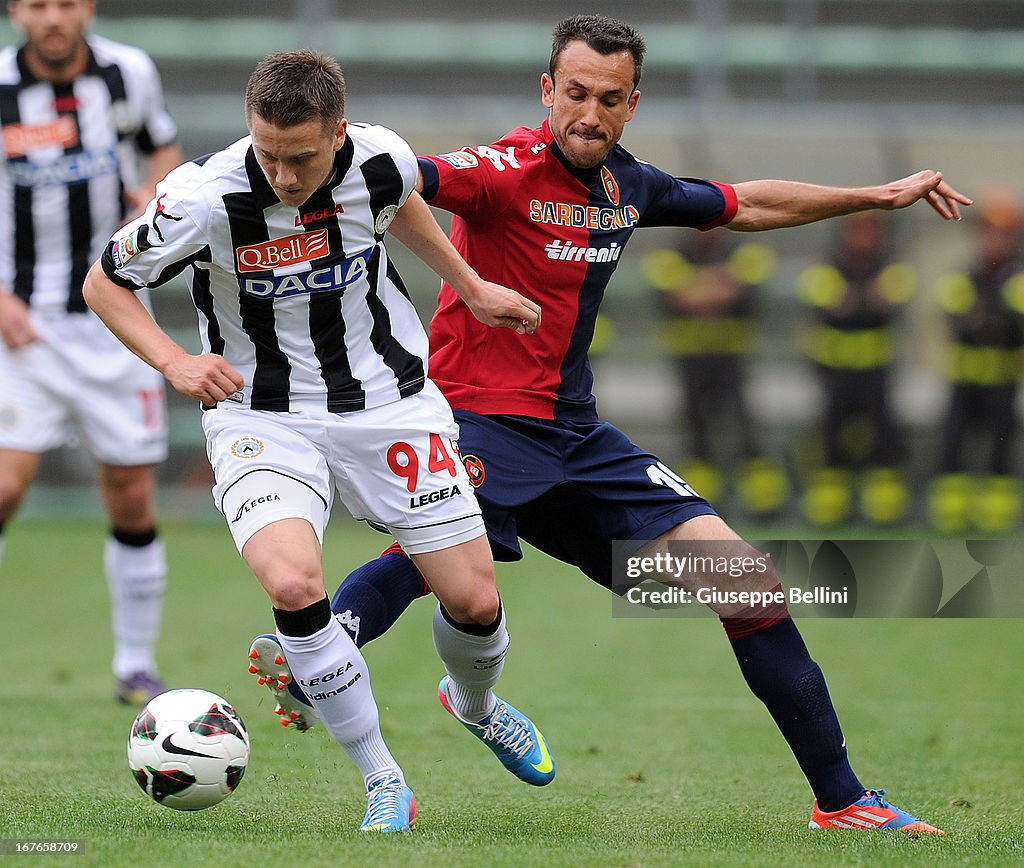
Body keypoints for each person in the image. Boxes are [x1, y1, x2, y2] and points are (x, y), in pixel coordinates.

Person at [252, 17, 970, 834]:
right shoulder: (500, 171)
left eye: (610, 98)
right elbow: (396, 176)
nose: (590, 113)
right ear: (547, 90)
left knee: (748, 586)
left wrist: (874, 195)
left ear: (633, 103)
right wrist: (301, 170)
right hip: (475, 419)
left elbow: (747, 205)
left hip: (577, 436)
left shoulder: (630, 186)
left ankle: (842, 801)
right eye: (577, 93)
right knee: (443, 562)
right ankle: (321, 645)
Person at [82, 49, 553, 834]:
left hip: (389, 405)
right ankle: (382, 780)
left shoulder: (381, 157)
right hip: (260, 414)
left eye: (300, 157)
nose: (284, 174)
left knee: (474, 600)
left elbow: (400, 201)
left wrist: (469, 287)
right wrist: (174, 361)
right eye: (268, 153)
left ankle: (475, 704)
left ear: (338, 132)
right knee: (296, 585)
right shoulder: (201, 199)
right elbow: (105, 281)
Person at [0, 0, 183, 705]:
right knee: (7, 486)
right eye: (38, 4)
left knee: (131, 495)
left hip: (113, 317)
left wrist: (156, 196)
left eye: (66, 3)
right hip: (27, 324)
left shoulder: (125, 73)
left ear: (88, 9)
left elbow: (162, 150)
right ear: (18, 11)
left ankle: (135, 665)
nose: (54, 19)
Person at [644, 228, 790, 519]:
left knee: (744, 422)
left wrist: (694, 288)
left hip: (731, 354)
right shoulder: (672, 255)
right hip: (691, 355)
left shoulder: (743, 250)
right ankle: (698, 500)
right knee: (695, 427)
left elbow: (745, 291)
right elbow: (671, 296)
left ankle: (763, 503)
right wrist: (721, 284)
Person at [797, 212, 916, 527]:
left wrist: (853, 301)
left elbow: (869, 304)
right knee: (831, 431)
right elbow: (835, 305)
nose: (863, 236)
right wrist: (866, 300)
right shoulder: (828, 265)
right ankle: (831, 492)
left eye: (870, 229)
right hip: (834, 372)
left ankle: (883, 495)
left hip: (876, 370)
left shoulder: (891, 265)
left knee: (883, 431)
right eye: (857, 229)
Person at [929, 189, 1024, 533]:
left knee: (1002, 446)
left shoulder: (1015, 278)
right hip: (965, 380)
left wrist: (984, 320)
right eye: (989, 233)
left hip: (1002, 380)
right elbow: (962, 325)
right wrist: (991, 322)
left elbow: (1009, 327)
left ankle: (997, 512)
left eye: (1003, 234)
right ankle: (952, 509)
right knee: (953, 443)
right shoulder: (963, 277)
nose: (995, 241)